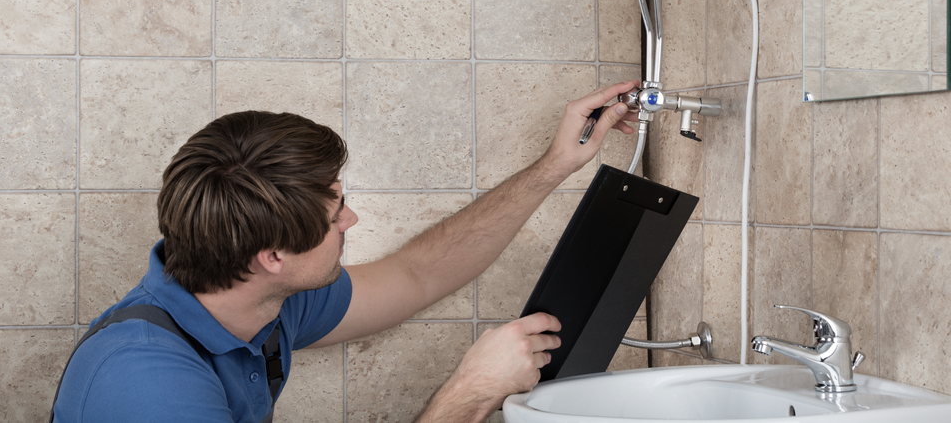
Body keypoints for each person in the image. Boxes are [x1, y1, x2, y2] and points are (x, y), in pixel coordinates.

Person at [51, 81, 638, 423]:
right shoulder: (149, 385)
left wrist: (557, 166)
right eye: (336, 215)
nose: (351, 220)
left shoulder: (259, 302)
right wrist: (471, 392)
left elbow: (420, 272)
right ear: (273, 256)